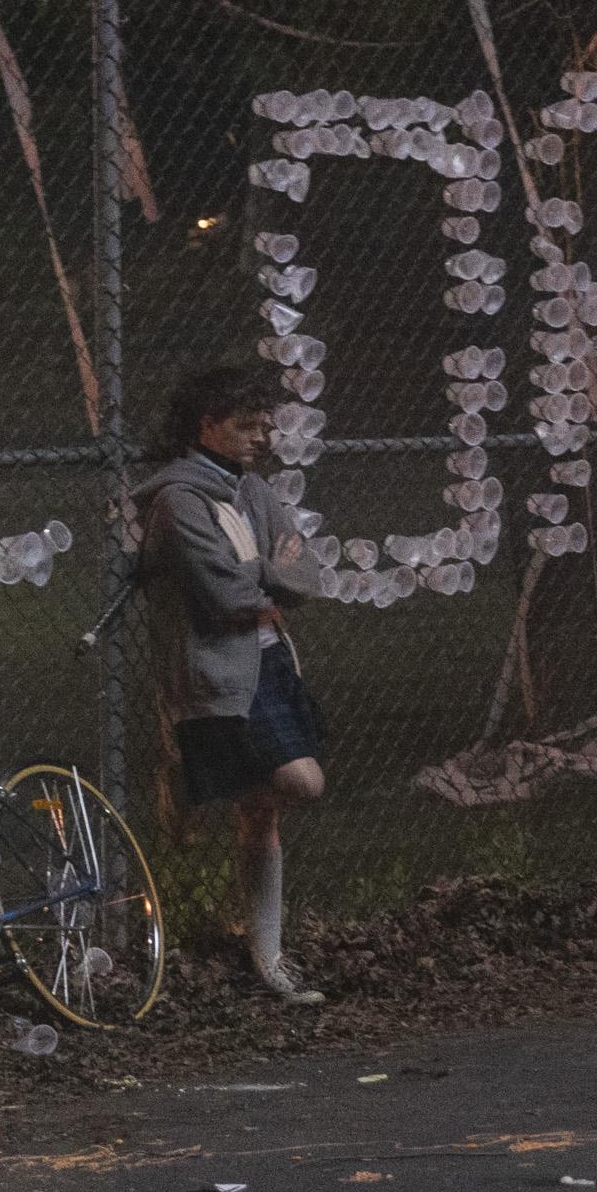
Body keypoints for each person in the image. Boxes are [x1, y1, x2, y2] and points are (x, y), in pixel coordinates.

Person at [129, 362, 332, 1004]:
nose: (261, 438)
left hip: (273, 660)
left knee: (261, 813)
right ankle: (181, 773)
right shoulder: (178, 501)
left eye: (267, 425)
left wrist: (264, 576)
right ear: (205, 424)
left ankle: (268, 959)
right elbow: (224, 596)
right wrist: (269, 575)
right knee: (300, 781)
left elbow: (310, 576)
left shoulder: (254, 493)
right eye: (246, 425)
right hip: (220, 671)